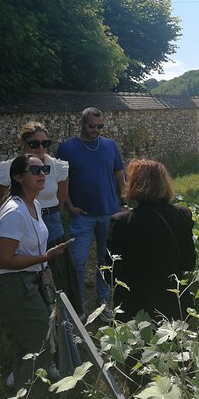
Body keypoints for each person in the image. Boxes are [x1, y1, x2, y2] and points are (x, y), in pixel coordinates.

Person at [0, 154, 71, 389]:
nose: (42, 173)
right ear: (17, 177)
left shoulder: (33, 203)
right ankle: (29, 395)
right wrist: (45, 257)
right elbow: (3, 260)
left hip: (28, 279)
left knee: (28, 342)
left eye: (44, 169)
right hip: (10, 283)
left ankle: (20, 388)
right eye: (35, 170)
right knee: (40, 344)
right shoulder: (14, 211)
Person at [0, 122, 82, 315]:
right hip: (20, 223)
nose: (41, 148)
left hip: (50, 220)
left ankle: (63, 313)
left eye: (45, 143)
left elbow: (60, 198)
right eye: (35, 143)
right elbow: (0, 201)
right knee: (28, 268)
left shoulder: (57, 166)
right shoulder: (8, 169)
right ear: (23, 143)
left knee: (57, 270)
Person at [56, 107, 125, 316]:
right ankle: (78, 305)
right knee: (77, 261)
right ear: (82, 124)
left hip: (110, 213)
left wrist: (124, 203)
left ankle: (103, 301)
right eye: (92, 126)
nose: (96, 130)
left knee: (106, 260)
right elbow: (61, 182)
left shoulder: (110, 146)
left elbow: (119, 175)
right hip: (82, 217)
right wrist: (69, 207)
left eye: (100, 126)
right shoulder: (67, 149)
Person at [107, 159, 196, 323]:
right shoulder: (182, 215)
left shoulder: (120, 222)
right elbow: (189, 263)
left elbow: (111, 275)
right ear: (165, 183)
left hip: (134, 308)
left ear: (133, 184)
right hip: (172, 304)